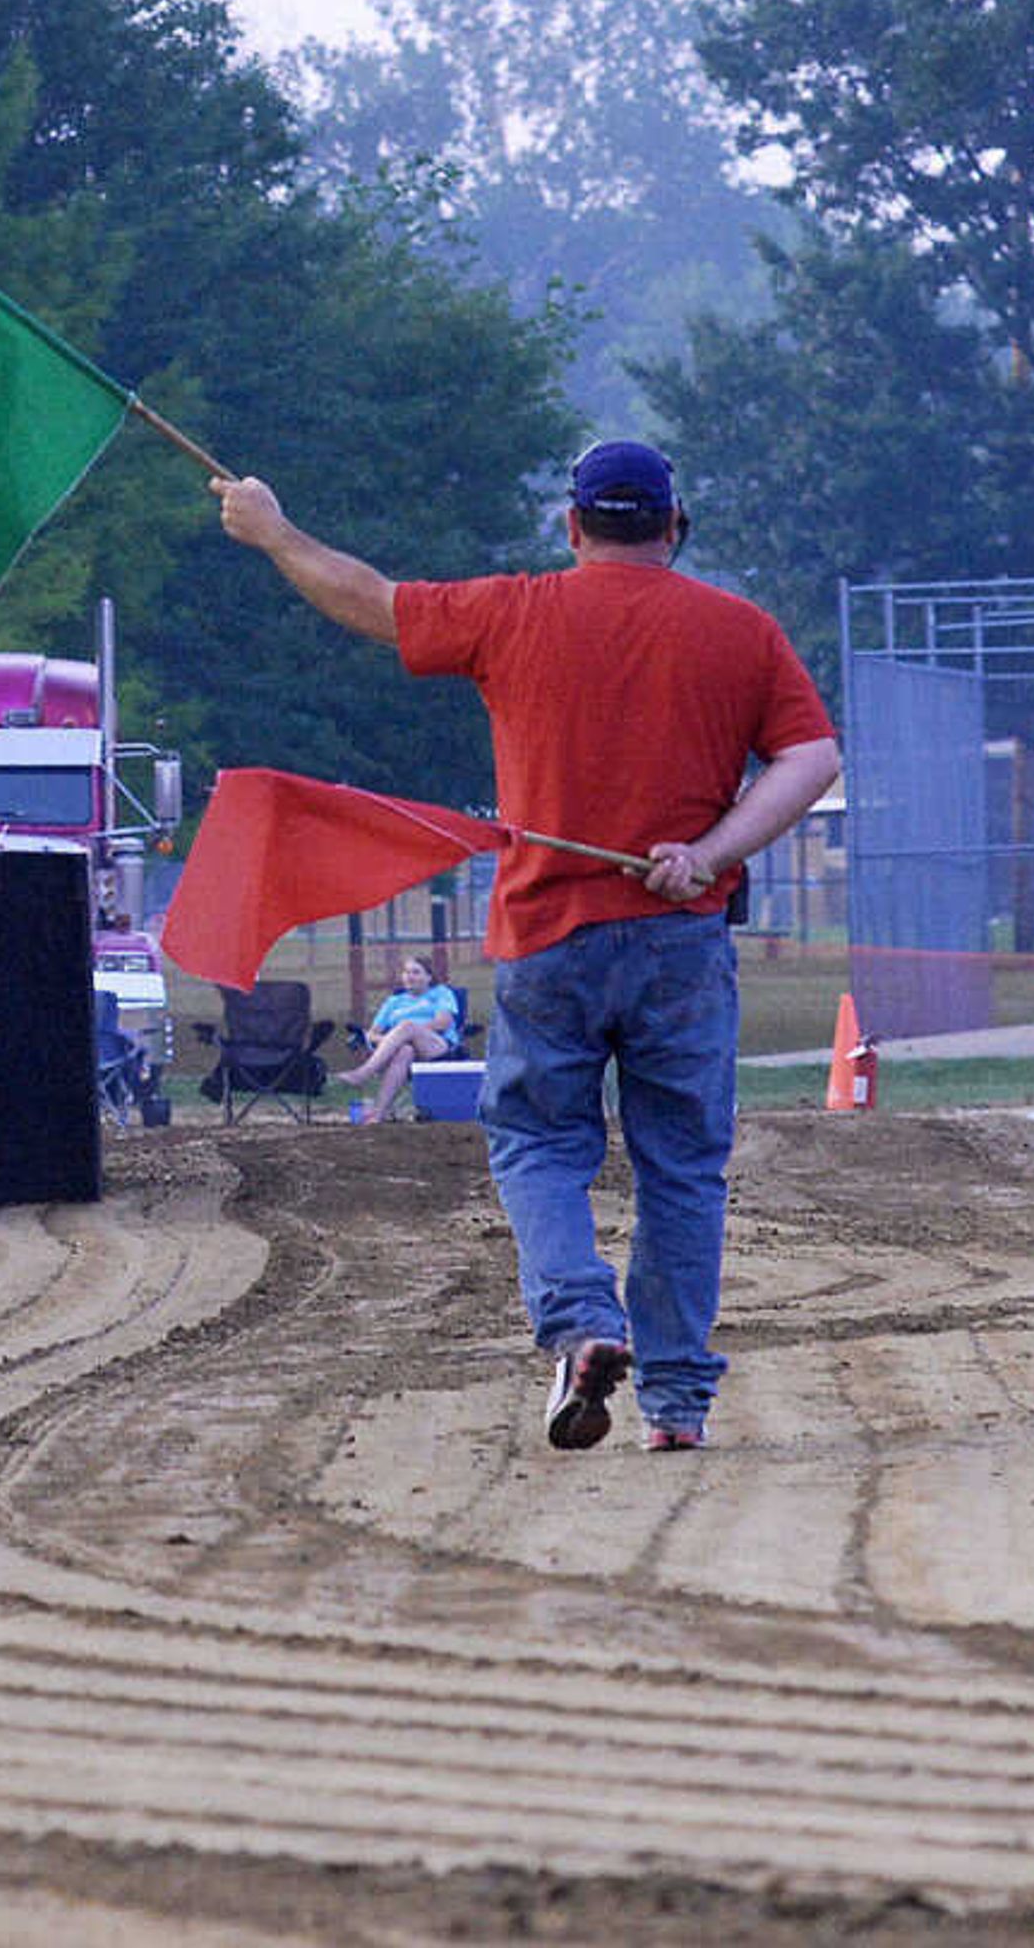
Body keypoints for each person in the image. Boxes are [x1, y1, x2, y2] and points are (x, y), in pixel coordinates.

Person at [214, 439, 840, 1455]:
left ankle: (583, 1320)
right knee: (681, 1168)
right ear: (675, 527)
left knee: (540, 1143)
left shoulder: (515, 610)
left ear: (573, 526)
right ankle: (676, 1405)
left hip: (549, 939)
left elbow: (372, 602)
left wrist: (274, 532)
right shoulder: (743, 630)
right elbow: (812, 757)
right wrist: (711, 849)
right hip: (683, 937)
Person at [334, 950, 463, 1124]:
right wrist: (395, 1040)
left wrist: (406, 1032)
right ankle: (377, 1114)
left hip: (437, 1046)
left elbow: (442, 1023)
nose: (409, 977)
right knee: (404, 1051)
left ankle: (363, 1073)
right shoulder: (394, 1001)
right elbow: (372, 1034)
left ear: (429, 977)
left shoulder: (441, 993)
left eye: (416, 972)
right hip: (401, 1048)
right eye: (406, 972)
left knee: (406, 1026)